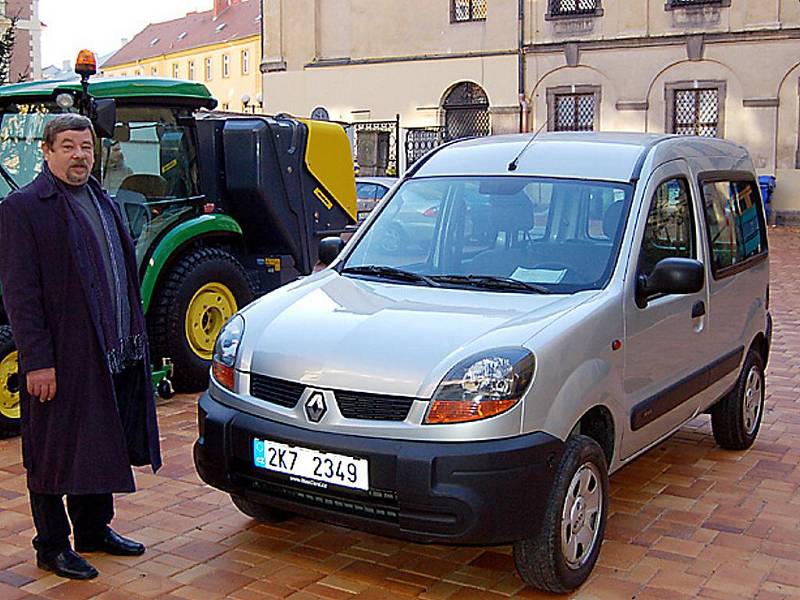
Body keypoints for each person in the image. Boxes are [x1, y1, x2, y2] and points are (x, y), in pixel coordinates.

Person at [0, 115, 161, 580]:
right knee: (51, 451)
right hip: (60, 354)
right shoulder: (24, 207)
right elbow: (20, 294)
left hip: (107, 347)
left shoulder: (103, 201)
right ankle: (50, 544)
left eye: (86, 147)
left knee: (98, 439)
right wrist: (38, 362)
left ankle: (94, 529)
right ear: (47, 151)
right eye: (68, 147)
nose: (79, 156)